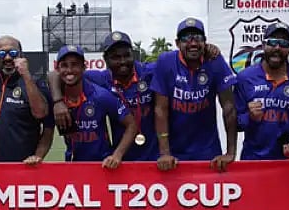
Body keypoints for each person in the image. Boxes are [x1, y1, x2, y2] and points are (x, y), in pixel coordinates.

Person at [49, 31, 159, 162]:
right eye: (116, 57)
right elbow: (54, 75)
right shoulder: (100, 79)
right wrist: (58, 102)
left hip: (154, 156)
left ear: (132, 55)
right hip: (123, 161)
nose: (122, 61)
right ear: (106, 59)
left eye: (126, 55)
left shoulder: (149, 72)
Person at [150, 17, 239, 171]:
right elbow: (160, 109)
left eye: (197, 38)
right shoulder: (166, 61)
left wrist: (231, 153)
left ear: (205, 42)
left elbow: (229, 107)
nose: (192, 43)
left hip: (208, 151)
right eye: (186, 39)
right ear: (177, 43)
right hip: (173, 153)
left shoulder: (214, 60)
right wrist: (164, 153)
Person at [234, 21, 289, 160]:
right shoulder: (245, 78)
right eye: (272, 42)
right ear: (263, 45)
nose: (277, 48)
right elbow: (236, 123)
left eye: (283, 44)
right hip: (252, 161)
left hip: (287, 163)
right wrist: (249, 117)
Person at [0, 34, 53, 164]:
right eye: (2, 53)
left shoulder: (36, 84)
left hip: (22, 169)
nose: (8, 57)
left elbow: (46, 124)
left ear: (21, 54)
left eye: (13, 53)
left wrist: (38, 156)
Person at [54, 45, 138, 166]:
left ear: (84, 67)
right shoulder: (56, 95)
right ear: (57, 68)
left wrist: (117, 155)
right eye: (64, 65)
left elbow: (132, 125)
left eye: (75, 65)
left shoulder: (101, 96)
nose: (69, 70)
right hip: (72, 166)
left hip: (101, 167)